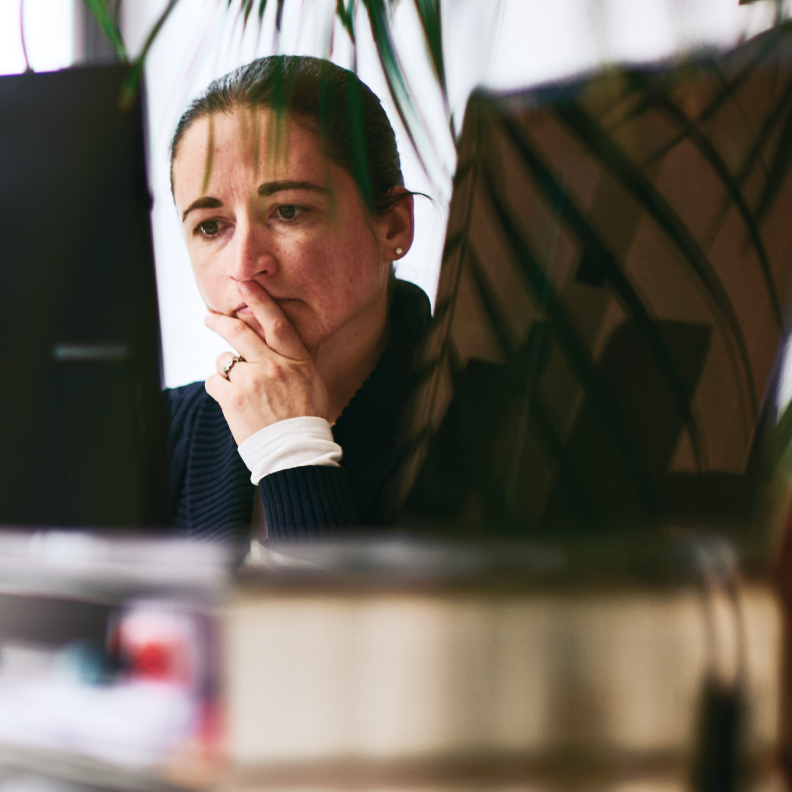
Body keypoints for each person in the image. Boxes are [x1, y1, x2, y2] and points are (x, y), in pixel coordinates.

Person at [166, 55, 432, 543]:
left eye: (288, 211)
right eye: (211, 226)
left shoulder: (506, 430)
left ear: (393, 226)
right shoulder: (154, 433)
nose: (245, 264)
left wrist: (290, 450)